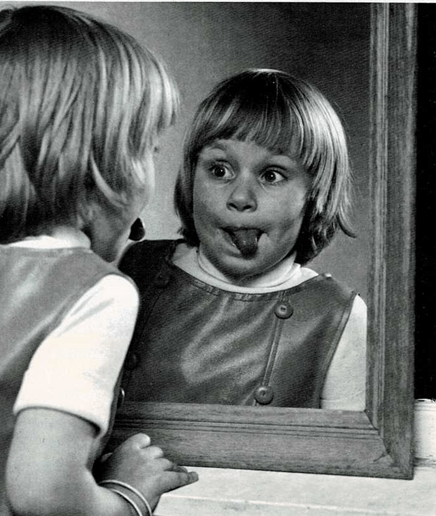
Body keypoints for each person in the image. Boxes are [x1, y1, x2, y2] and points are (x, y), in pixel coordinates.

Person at [0, 6, 198, 516]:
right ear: (109, 164)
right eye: (151, 150)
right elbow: (44, 491)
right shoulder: (95, 292)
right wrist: (128, 496)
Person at [119, 69, 367, 411]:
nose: (240, 197)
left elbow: (348, 443)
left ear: (315, 195)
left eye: (271, 175)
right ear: (191, 177)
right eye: (220, 170)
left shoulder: (338, 315)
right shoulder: (130, 268)